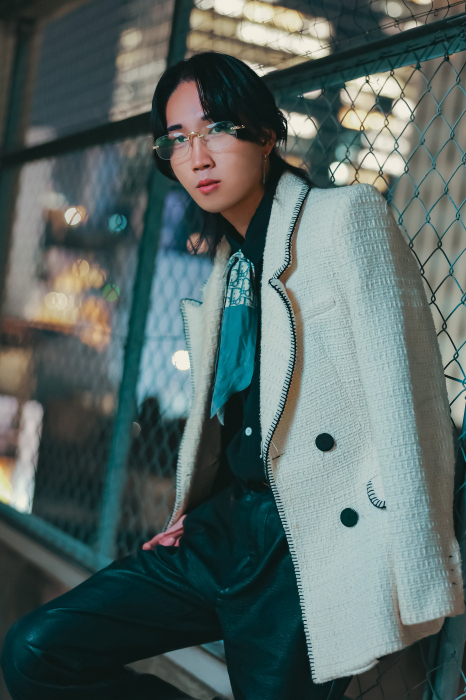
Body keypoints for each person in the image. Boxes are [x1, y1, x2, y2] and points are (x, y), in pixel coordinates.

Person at [1, 51, 464, 700]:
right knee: (36, 651)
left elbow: (404, 396)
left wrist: (409, 561)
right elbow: (240, 417)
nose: (198, 156)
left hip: (309, 538)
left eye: (217, 129)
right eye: (178, 139)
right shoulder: (231, 263)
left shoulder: (346, 217)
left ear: (266, 135)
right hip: (222, 529)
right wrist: (194, 510)